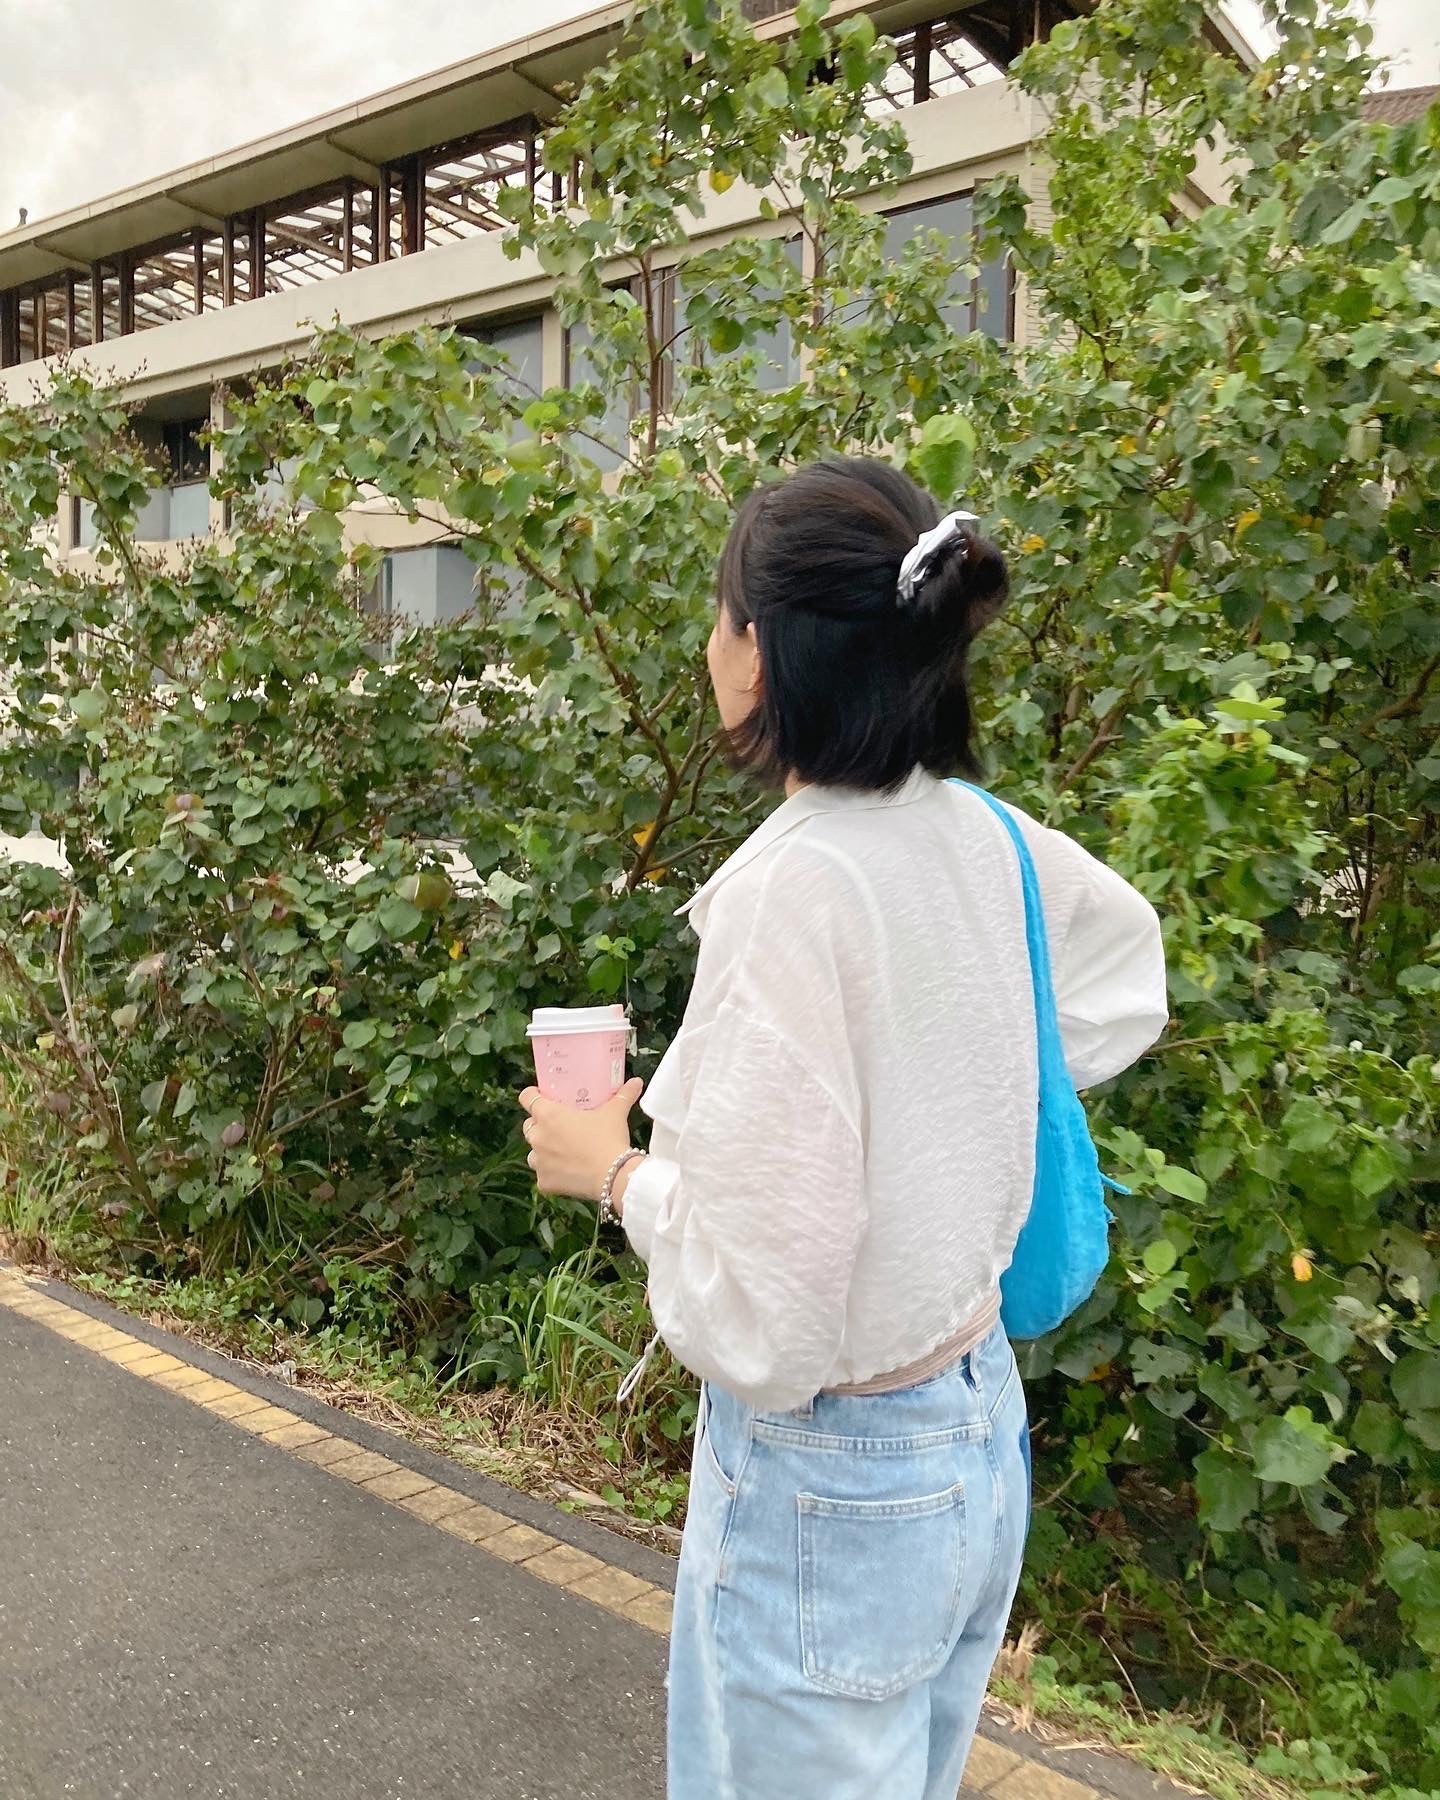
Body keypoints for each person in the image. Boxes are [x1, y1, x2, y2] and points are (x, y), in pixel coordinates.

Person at [519, 457, 1167, 1800]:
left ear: (760, 656)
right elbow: (1120, 976)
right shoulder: (981, 835)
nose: (709, 647)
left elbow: (769, 1320)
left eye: (718, 617)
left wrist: (616, 1175)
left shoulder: (795, 889)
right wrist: (948, 1112)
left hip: (839, 1474)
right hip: (971, 1424)